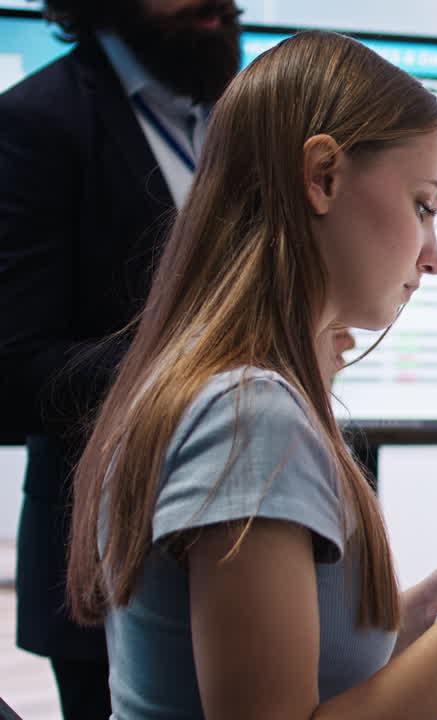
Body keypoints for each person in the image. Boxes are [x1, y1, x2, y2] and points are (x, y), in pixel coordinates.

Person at [62, 29, 437, 719]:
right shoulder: (250, 414)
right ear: (323, 177)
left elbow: (308, 668)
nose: (434, 257)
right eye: (423, 206)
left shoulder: (220, 387)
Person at [0, 2, 243, 717]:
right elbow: (13, 368)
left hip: (255, 526)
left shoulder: (241, 112)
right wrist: (215, 366)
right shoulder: (37, 123)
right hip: (104, 559)